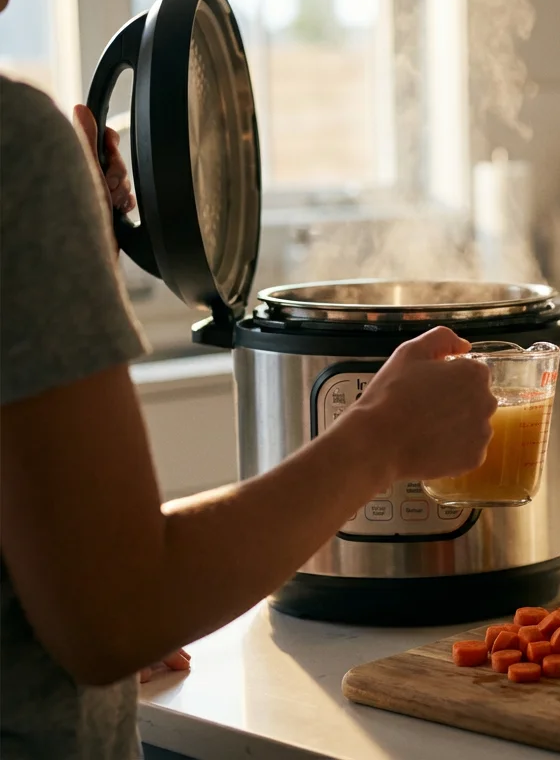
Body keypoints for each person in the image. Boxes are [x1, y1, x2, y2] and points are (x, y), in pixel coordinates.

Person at [0, 42, 497, 760]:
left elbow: (92, 592)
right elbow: (117, 615)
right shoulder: (15, 141)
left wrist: (78, 593)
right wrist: (384, 434)